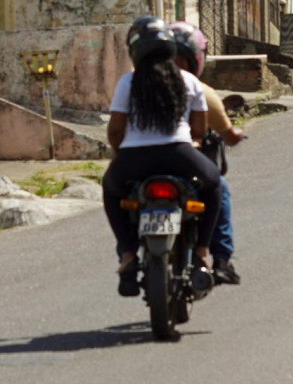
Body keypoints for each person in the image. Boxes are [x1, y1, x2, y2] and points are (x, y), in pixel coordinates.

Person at [102, 17, 223, 298]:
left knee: (110, 189)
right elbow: (199, 130)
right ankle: (202, 252)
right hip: (179, 155)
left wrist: (121, 155)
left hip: (134, 158)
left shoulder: (127, 82)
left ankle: (128, 255)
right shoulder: (189, 81)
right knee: (214, 184)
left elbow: (116, 130)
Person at [168, 21, 243, 286]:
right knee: (218, 188)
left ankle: (128, 256)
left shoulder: (135, 82)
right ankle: (217, 258)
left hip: (142, 162)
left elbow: (117, 129)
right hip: (184, 158)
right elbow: (215, 133)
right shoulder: (198, 88)